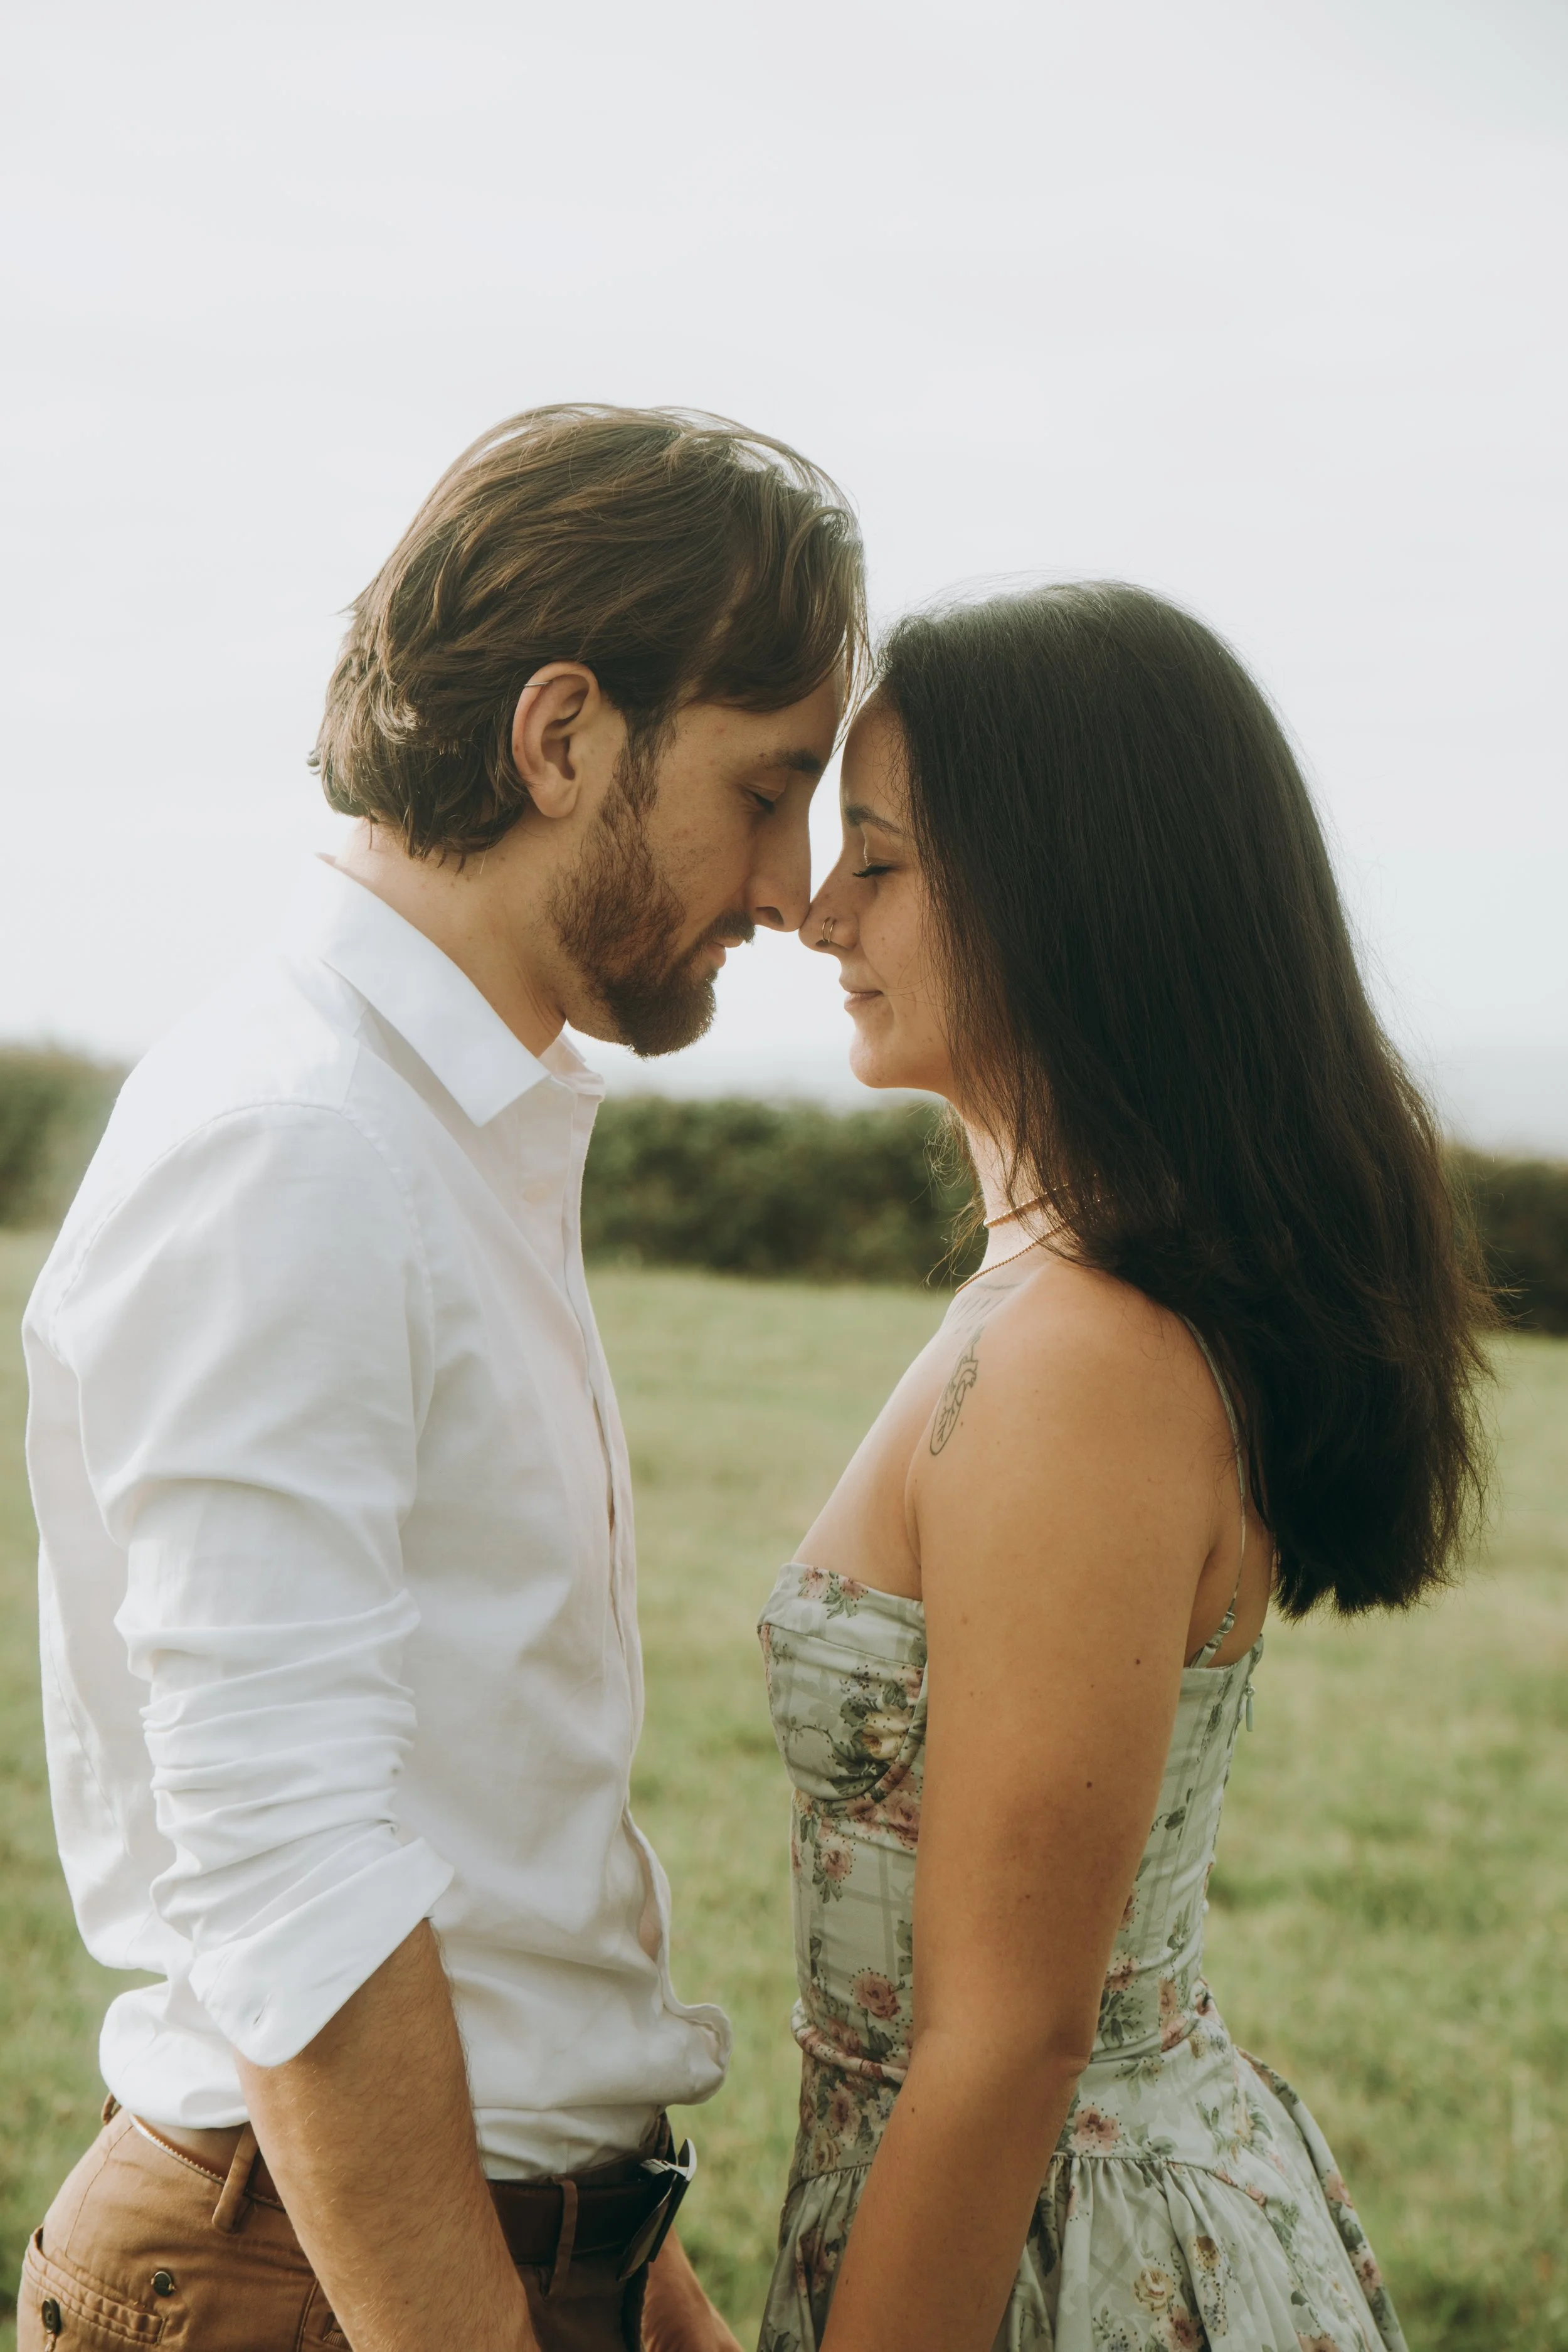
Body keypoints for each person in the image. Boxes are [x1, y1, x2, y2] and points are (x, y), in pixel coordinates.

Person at [21, 404, 865, 2352]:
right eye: (768, 786)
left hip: (453, 2257)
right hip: (315, 2287)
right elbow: (289, 1861)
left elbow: (480, 1872)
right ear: (562, 736)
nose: (789, 886)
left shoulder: (437, 1126)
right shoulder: (301, 1143)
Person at [757, 583, 1489, 2352]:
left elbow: (1006, 2037)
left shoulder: (1077, 1357)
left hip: (1043, 2252)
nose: (809, 907)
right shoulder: (1059, 1300)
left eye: (878, 859)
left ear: (1053, 900)